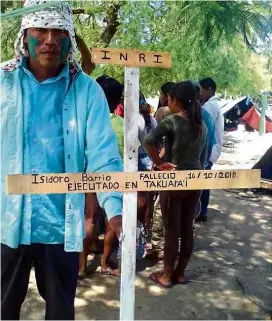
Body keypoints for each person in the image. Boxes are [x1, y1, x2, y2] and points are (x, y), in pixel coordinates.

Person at [1, 1, 123, 319]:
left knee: (60, 311)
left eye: (59, 31)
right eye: (41, 29)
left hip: (60, 225)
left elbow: (104, 156)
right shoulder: (2, 84)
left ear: (70, 39)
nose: (50, 39)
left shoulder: (86, 91)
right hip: (6, 222)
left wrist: (116, 210)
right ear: (24, 35)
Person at [144, 81, 207, 288]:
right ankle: (180, 273)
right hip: (196, 181)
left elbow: (148, 141)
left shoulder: (172, 121)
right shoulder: (201, 124)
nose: (166, 101)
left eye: (169, 98)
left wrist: (160, 163)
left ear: (176, 101)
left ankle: (166, 275)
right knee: (187, 228)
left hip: (175, 181)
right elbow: (203, 159)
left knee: (172, 230)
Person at [196, 77, 224, 222]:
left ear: (209, 89)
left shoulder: (209, 107)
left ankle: (201, 211)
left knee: (203, 181)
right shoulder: (211, 105)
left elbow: (206, 133)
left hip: (209, 150)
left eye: (201, 90)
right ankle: (202, 210)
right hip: (212, 149)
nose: (199, 93)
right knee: (204, 180)